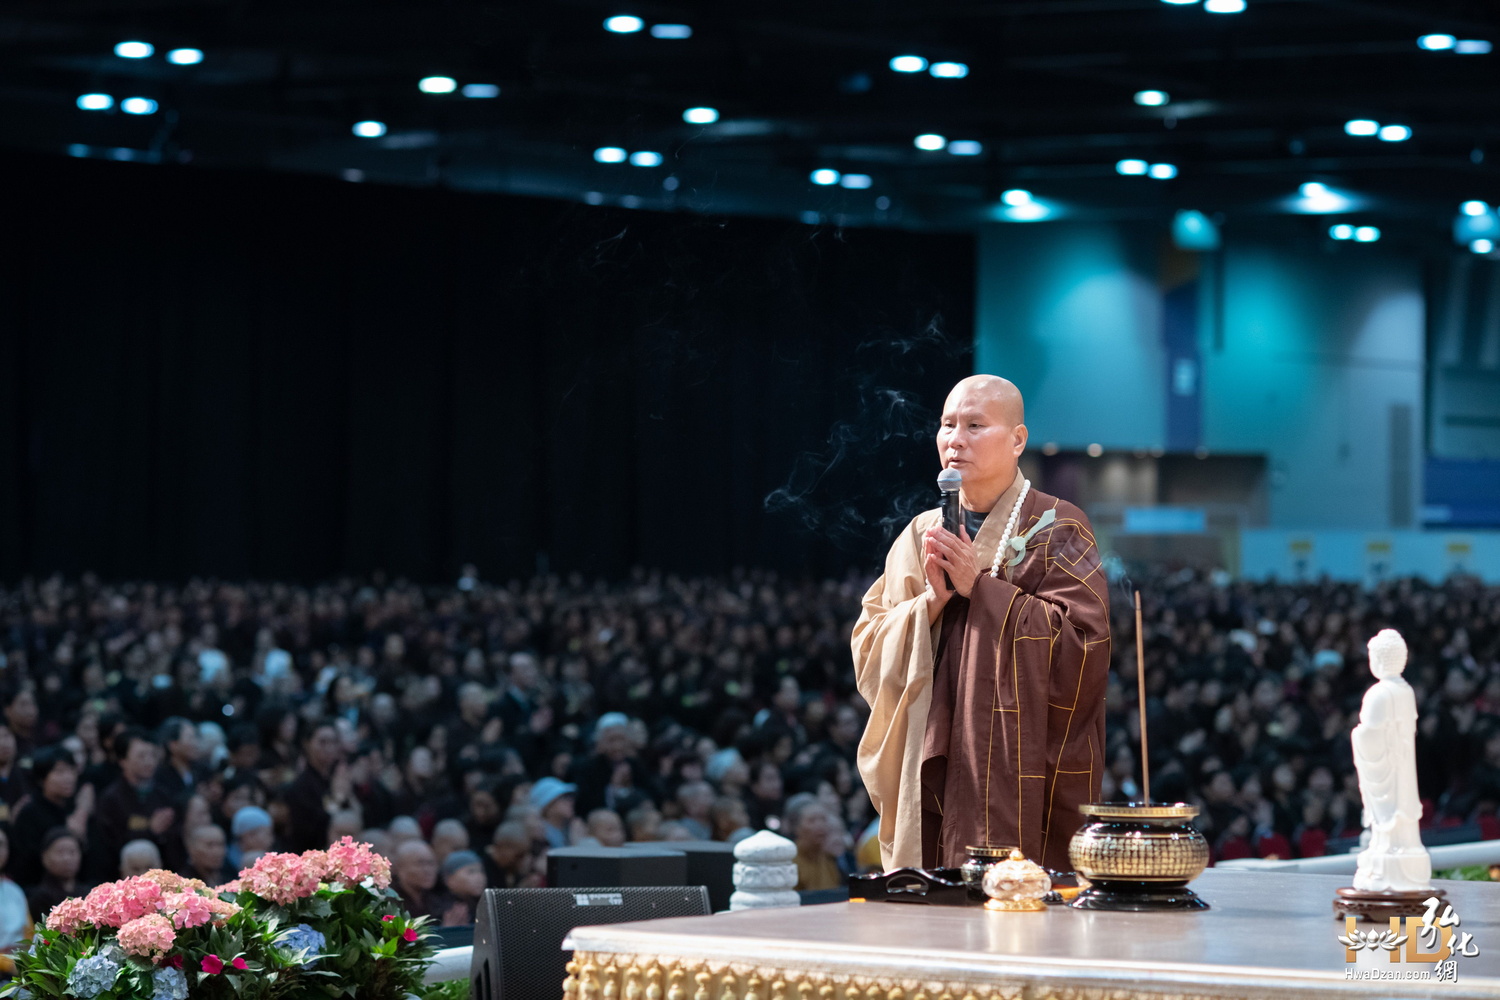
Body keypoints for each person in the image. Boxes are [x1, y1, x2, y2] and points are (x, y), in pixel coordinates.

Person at [852, 375, 1110, 872]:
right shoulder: (920, 533)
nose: (956, 439)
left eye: (975, 425)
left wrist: (983, 590)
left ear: (1017, 440)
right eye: (948, 424)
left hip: (1021, 765)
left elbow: (1085, 647)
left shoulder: (1057, 526)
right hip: (930, 749)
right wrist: (929, 603)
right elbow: (868, 643)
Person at [90, 729, 175, 883]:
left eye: (152, 755)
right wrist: (150, 831)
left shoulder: (164, 795)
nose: (149, 761)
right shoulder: (110, 799)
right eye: (141, 756)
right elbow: (107, 847)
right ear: (123, 760)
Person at [12, 745, 91, 887]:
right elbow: (26, 861)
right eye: (59, 772)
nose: (68, 777)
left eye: (71, 770)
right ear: (42, 779)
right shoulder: (30, 813)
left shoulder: (76, 807)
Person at [27, 828, 88, 924]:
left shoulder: (87, 893)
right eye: (60, 852)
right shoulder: (39, 899)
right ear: (44, 857)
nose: (67, 858)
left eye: (72, 852)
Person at [0, 827, 32, 977]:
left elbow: (29, 936)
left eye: (1, 844)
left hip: (20, 968)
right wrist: (7, 964)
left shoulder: (14, 889)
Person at [391, 840, 443, 919]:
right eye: (420, 864)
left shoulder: (437, 901)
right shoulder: (388, 902)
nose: (427, 870)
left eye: (431, 863)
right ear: (400, 867)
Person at [438, 849, 485, 925]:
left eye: (481, 871)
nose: (480, 877)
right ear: (449, 879)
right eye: (471, 871)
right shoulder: (441, 908)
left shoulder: (482, 904)